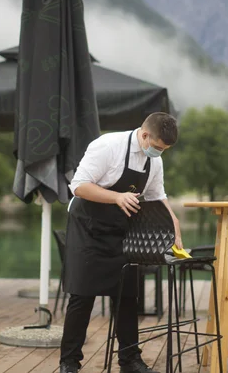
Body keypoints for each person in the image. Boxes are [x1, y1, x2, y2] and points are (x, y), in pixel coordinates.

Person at [59, 112, 182, 373]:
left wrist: (175, 226)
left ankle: (130, 361)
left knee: (127, 295)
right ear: (145, 134)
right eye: (158, 147)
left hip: (122, 231)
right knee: (82, 295)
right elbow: (78, 186)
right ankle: (69, 362)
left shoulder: (155, 162)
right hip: (88, 228)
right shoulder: (107, 146)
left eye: (165, 150)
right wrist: (116, 197)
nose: (160, 153)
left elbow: (157, 197)